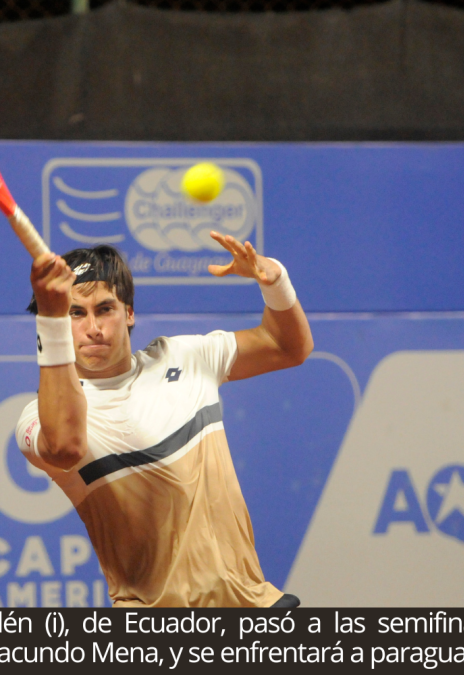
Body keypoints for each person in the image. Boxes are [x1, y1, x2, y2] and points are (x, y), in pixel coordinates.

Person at [17, 232, 314, 607]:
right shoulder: (42, 418)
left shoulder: (185, 357)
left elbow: (289, 347)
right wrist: (50, 320)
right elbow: (63, 449)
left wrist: (277, 283)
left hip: (256, 608)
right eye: (75, 314)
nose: (92, 328)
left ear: (128, 313)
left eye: (105, 309)